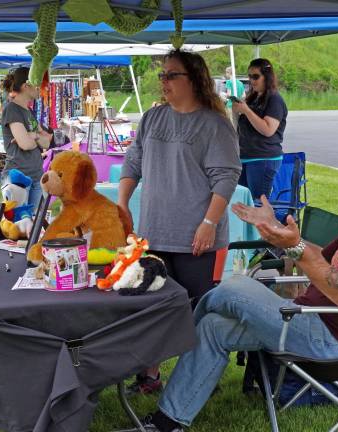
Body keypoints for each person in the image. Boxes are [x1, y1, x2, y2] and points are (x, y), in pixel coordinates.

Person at [139, 143, 338, 432]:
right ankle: (167, 422)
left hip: (335, 343)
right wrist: (279, 232)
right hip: (308, 321)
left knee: (235, 287)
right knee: (213, 326)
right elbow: (320, 261)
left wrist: (295, 245)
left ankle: (167, 343)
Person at [119, 49, 241, 395]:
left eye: (172, 75)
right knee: (151, 306)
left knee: (198, 311)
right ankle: (149, 377)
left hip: (196, 238)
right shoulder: (153, 118)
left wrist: (208, 223)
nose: (164, 82)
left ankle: (201, 377)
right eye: (162, 76)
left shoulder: (215, 124)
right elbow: (133, 162)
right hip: (154, 232)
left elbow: (225, 178)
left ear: (195, 80)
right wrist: (123, 204)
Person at [231, 58, 287, 201]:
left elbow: (268, 130)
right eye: (249, 76)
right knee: (242, 203)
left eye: (256, 76)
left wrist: (247, 111)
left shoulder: (275, 99)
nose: (252, 80)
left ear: (266, 77)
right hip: (246, 157)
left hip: (263, 158)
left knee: (257, 205)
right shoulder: (253, 97)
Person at [0, 66, 52, 209]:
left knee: (33, 226)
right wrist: (35, 136)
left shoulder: (28, 111)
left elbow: (47, 142)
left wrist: (32, 136)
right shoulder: (11, 109)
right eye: (39, 84)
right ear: (26, 86)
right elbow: (25, 144)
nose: (42, 88)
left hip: (36, 175)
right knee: (17, 226)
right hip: (17, 177)